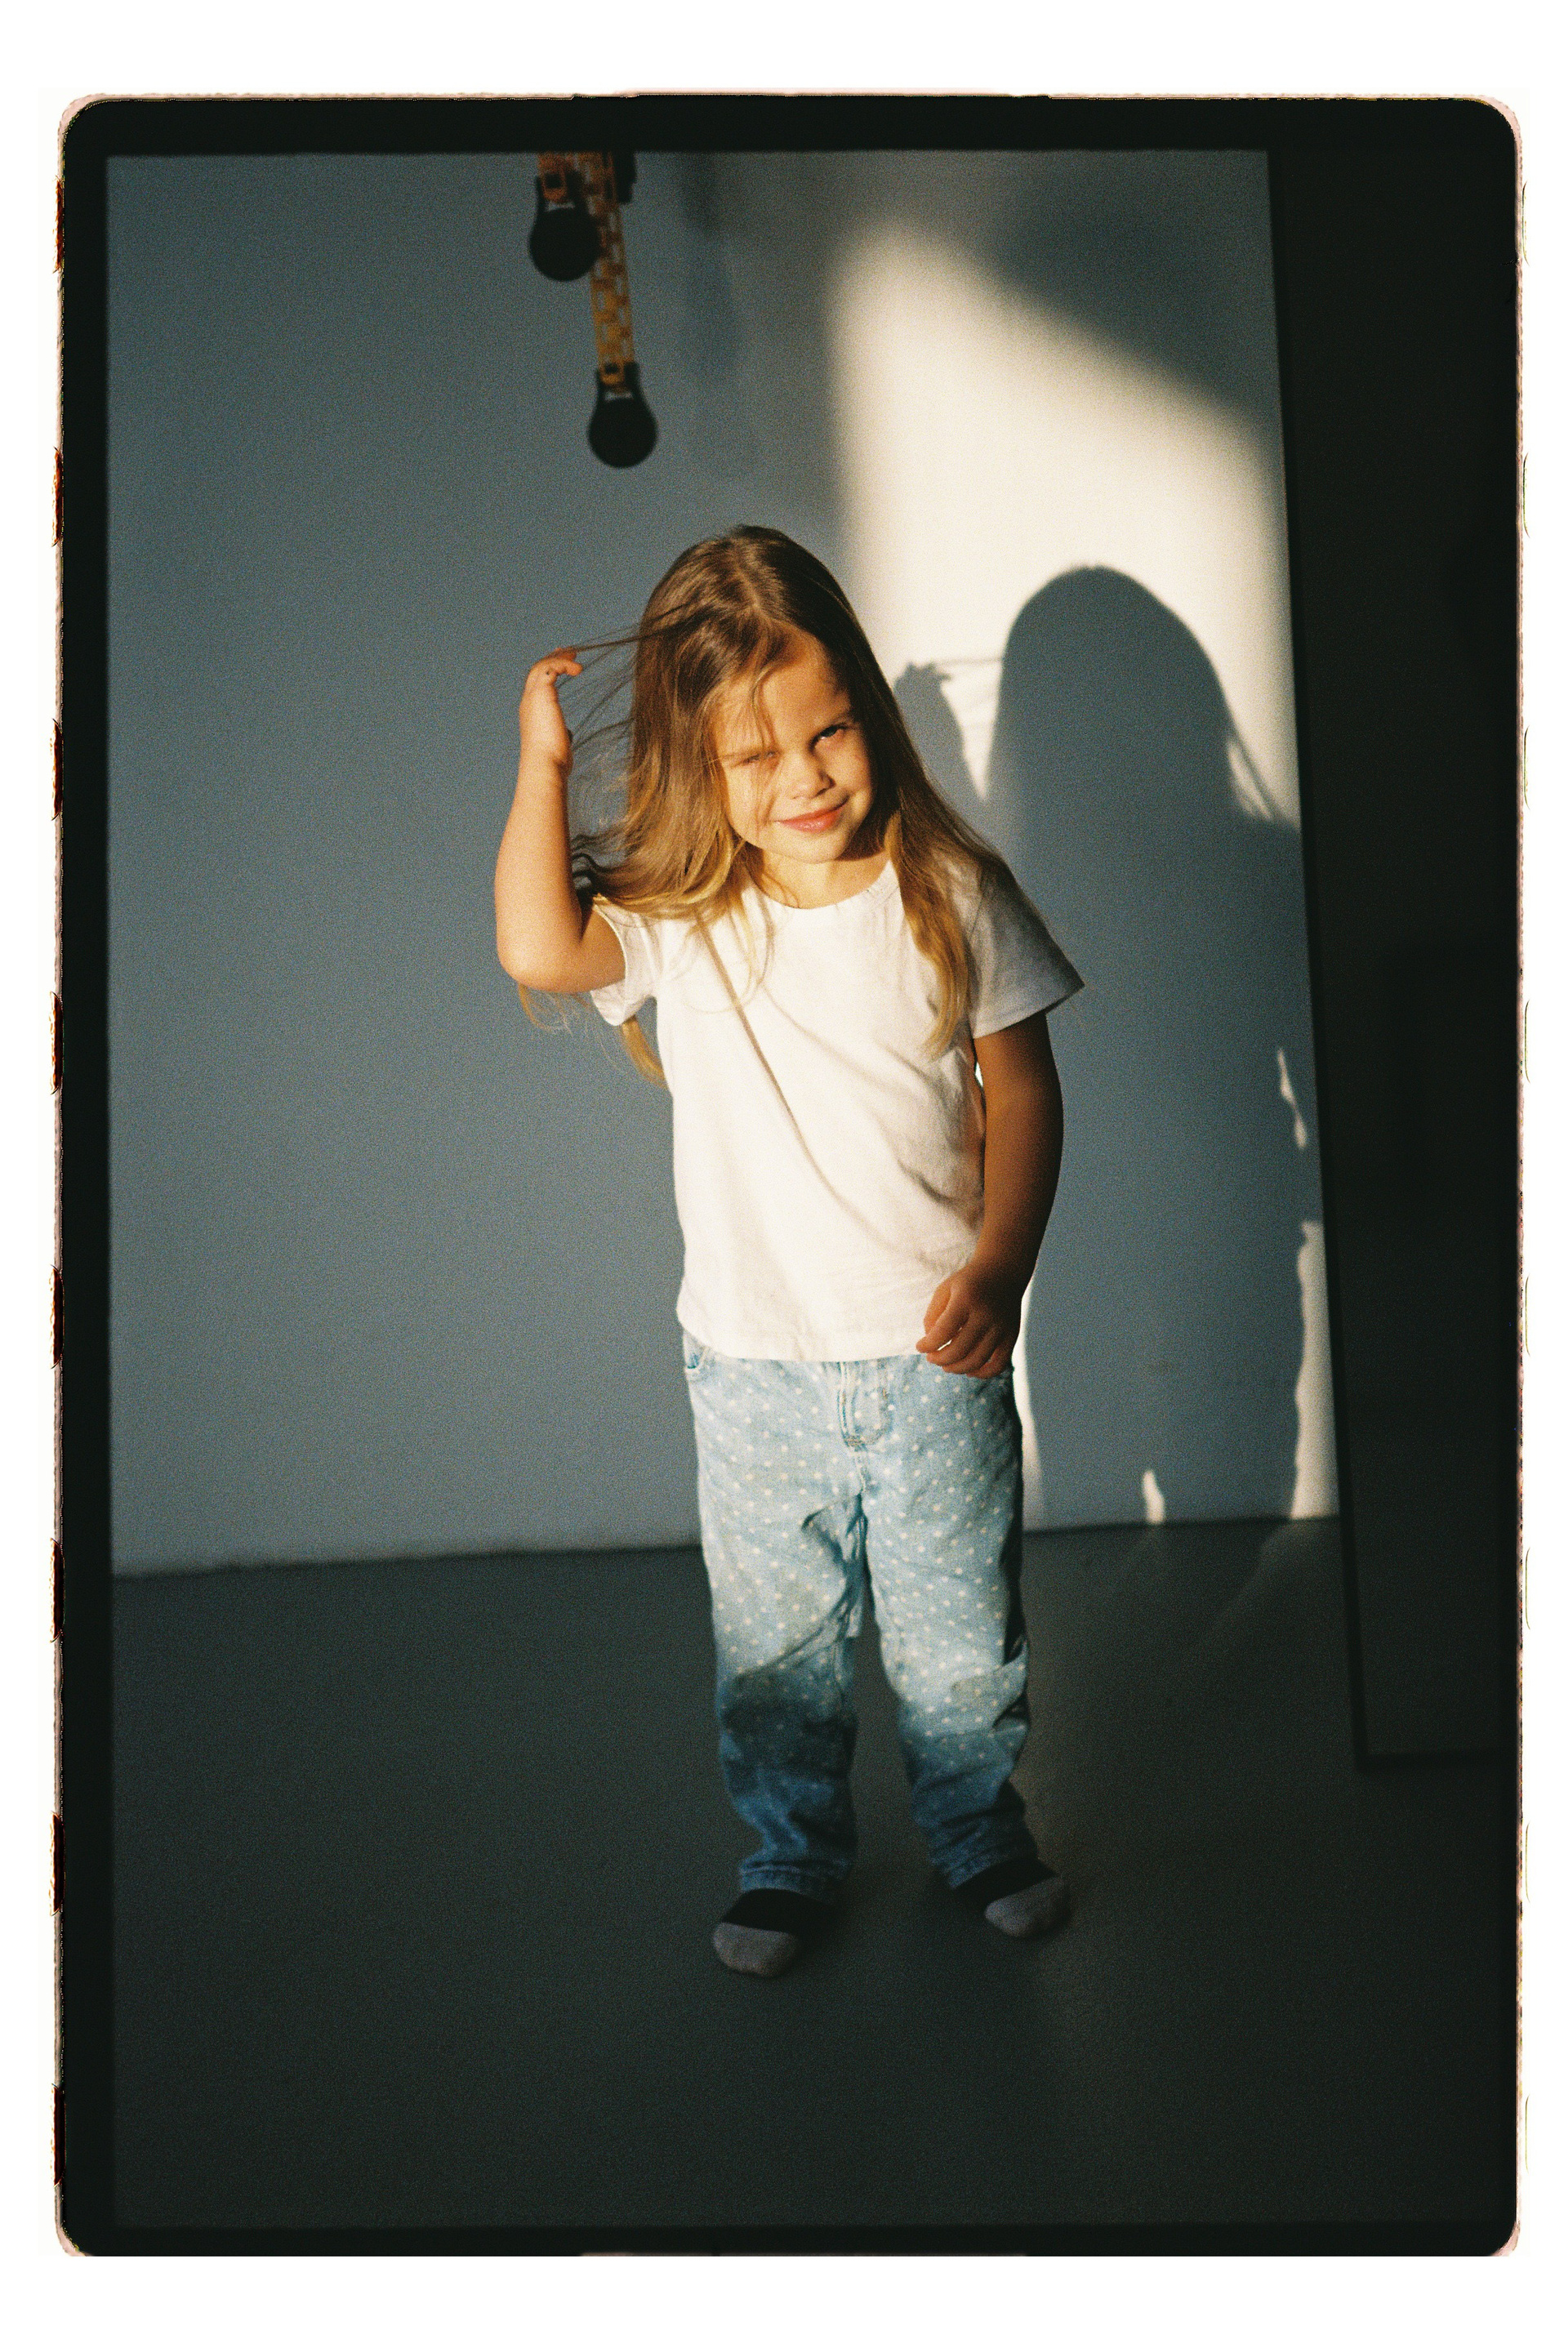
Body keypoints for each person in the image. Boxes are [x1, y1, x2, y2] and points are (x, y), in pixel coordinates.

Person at [494, 526, 1082, 1979]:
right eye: (756, 755)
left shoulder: (950, 890)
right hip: (753, 1370)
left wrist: (1001, 1268)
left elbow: (1024, 1091)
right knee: (777, 1648)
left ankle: (979, 1828)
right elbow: (537, 951)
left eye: (829, 731)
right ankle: (791, 1856)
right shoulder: (690, 916)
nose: (807, 776)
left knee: (960, 1636)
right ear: (700, 768)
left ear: (868, 710)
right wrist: (543, 770)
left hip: (933, 1355)